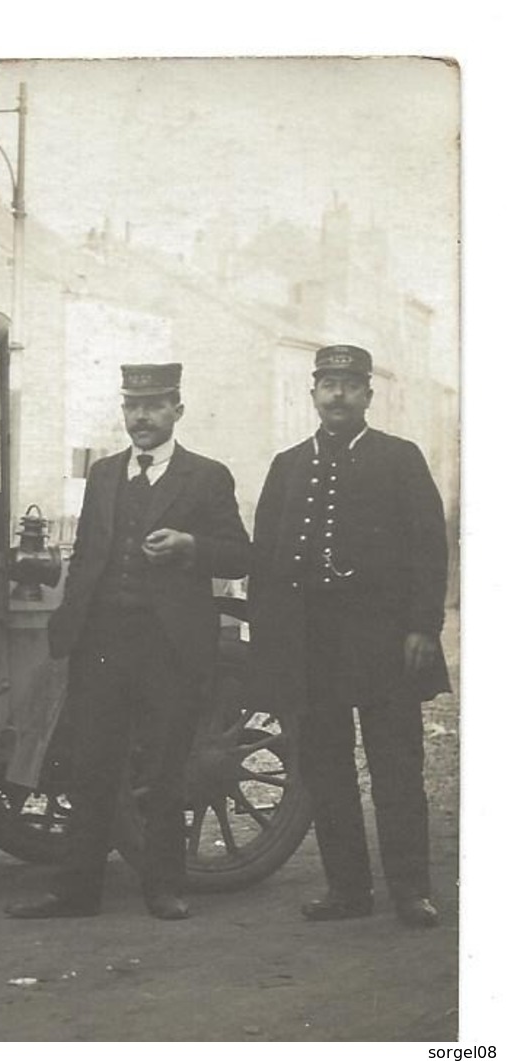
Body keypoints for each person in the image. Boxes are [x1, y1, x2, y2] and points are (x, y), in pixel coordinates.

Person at [5, 363, 249, 922]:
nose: (141, 416)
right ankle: (75, 892)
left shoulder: (207, 477)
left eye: (155, 405)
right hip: (103, 643)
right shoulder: (105, 475)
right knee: (92, 769)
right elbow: (89, 554)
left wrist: (190, 544)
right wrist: (69, 628)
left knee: (165, 770)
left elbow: (239, 554)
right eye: (132, 406)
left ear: (177, 412)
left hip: (169, 647)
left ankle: (163, 887)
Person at [248, 344, 449, 928]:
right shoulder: (287, 465)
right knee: (325, 767)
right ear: (312, 394)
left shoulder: (399, 458)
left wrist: (422, 627)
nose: (337, 394)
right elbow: (265, 561)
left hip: (383, 639)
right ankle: (347, 890)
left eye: (350, 384)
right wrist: (270, 644)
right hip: (310, 642)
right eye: (327, 384)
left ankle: (411, 890)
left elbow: (428, 551)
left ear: (367, 395)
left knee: (396, 765)